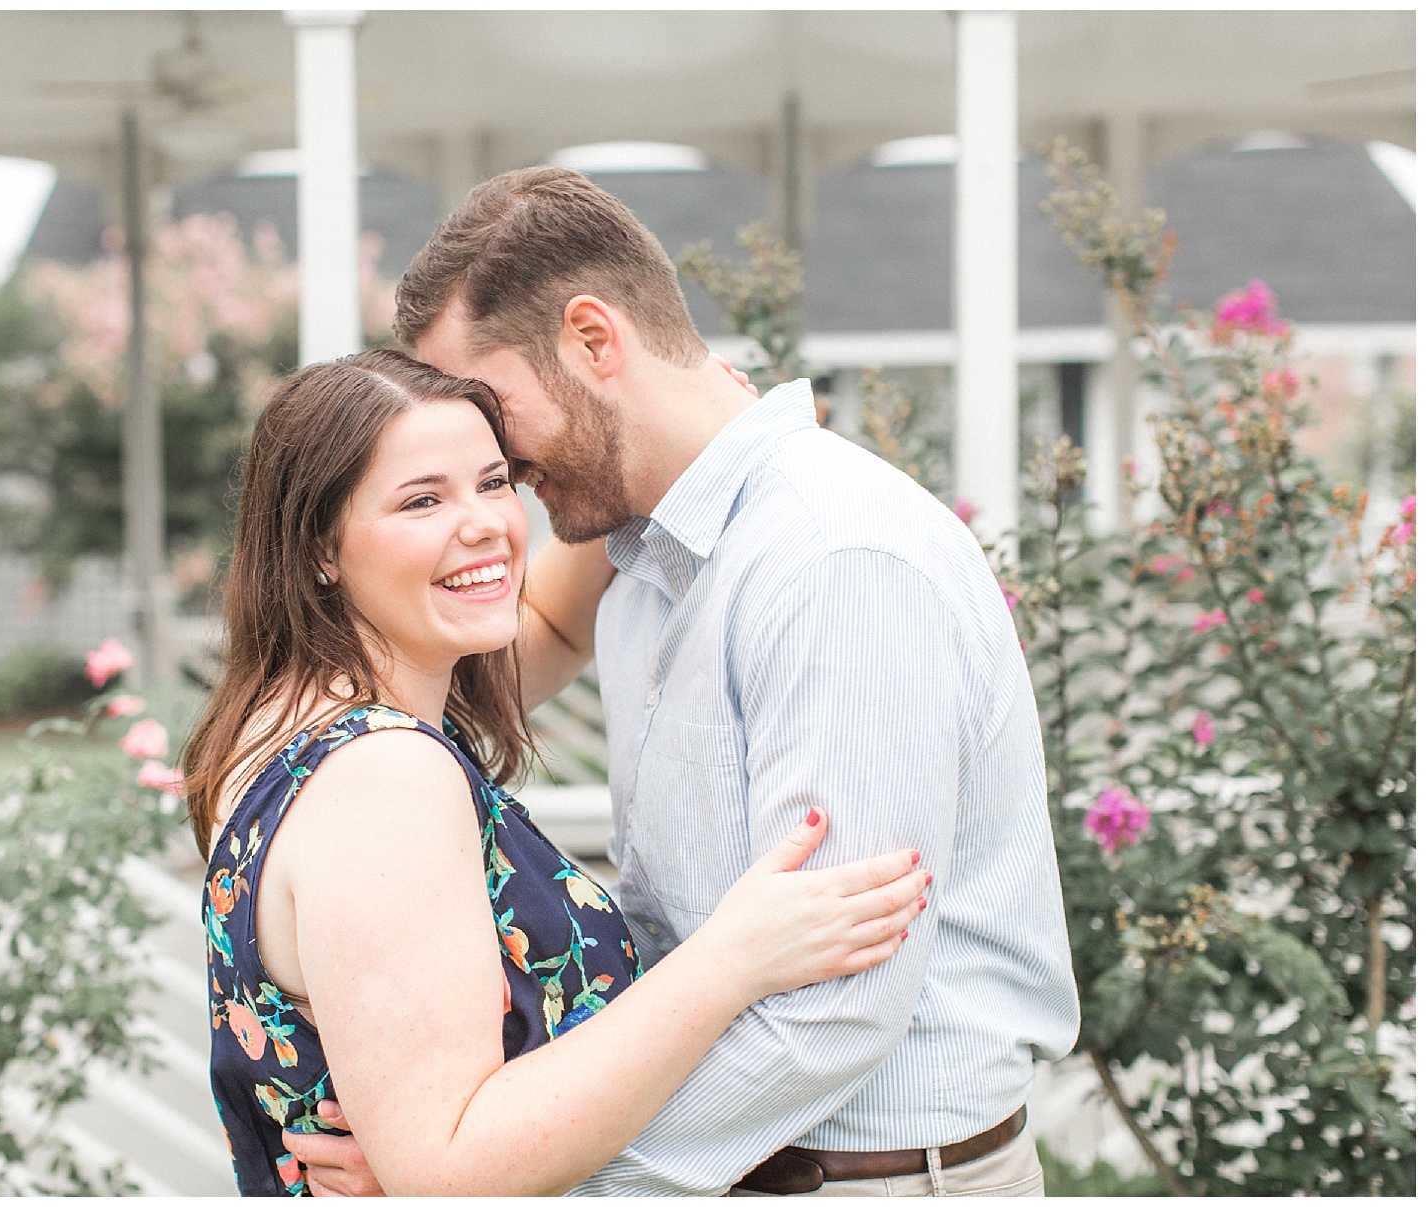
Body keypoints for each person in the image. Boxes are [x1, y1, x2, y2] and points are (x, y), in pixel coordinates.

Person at [283, 168, 1080, 1196]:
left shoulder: (831, 562)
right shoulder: (644, 554)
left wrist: (535, 1178)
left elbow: (832, 1011)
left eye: (491, 412)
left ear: (593, 339)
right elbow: (475, 658)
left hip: (863, 1178)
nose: (496, 457)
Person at [182, 348, 931, 1196]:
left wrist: (692, 426)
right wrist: (730, 959)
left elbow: (549, 618)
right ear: (321, 546)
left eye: (496, 482)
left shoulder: (278, 721)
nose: (485, 524)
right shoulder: (382, 777)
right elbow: (447, 1171)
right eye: (422, 498)